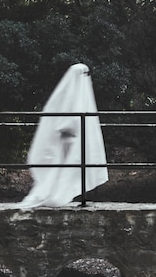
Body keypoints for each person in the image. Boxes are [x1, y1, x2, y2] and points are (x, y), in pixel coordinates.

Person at [19, 63, 108, 208]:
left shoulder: (81, 94)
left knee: (73, 170)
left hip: (73, 140)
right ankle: (56, 195)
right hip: (63, 140)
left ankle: (67, 196)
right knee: (62, 170)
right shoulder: (67, 93)